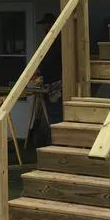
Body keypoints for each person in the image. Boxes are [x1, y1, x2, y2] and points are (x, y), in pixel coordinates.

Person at [35, 12, 63, 143]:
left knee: (54, 114)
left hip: (55, 83)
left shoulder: (55, 40)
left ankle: (55, 141)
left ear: (50, 24)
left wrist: (39, 70)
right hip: (51, 81)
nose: (44, 28)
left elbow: (48, 60)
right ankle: (54, 140)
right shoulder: (53, 39)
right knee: (52, 113)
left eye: (45, 25)